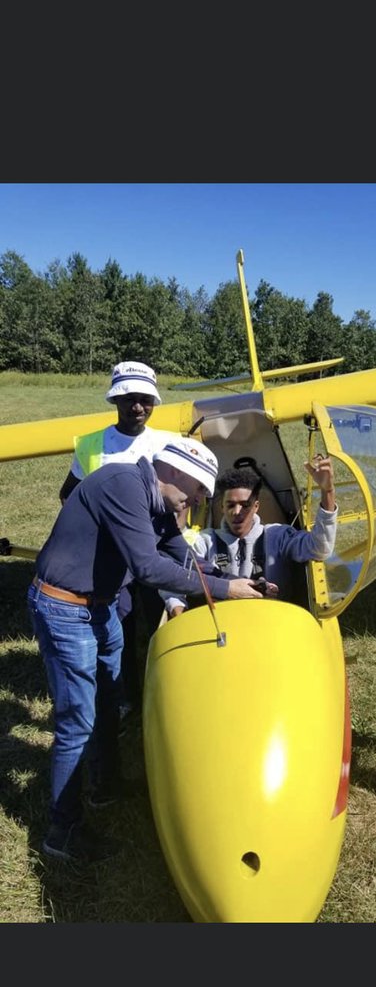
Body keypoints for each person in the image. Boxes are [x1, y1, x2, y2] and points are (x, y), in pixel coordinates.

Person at [29, 436, 267, 866]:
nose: (200, 501)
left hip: (100, 607)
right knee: (77, 722)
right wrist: (222, 589)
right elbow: (148, 568)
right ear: (175, 472)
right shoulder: (123, 486)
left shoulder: (158, 503)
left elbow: (180, 555)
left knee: (109, 700)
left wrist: (235, 581)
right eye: (199, 490)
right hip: (65, 608)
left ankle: (105, 786)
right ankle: (62, 831)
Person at [59, 360, 182, 712]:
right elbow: (69, 494)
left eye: (146, 399)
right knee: (120, 627)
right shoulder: (91, 445)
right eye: (129, 399)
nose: (138, 407)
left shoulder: (167, 443)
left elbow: (181, 501)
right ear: (115, 400)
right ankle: (127, 696)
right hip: (113, 556)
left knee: (164, 622)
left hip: (156, 550)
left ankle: (166, 695)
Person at [161, 455, 338, 618]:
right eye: (230, 505)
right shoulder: (205, 542)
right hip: (222, 628)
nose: (237, 512)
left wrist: (327, 492)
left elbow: (319, 548)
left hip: (276, 623)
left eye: (245, 505)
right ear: (222, 507)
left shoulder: (278, 536)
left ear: (256, 507)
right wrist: (179, 614)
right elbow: (172, 578)